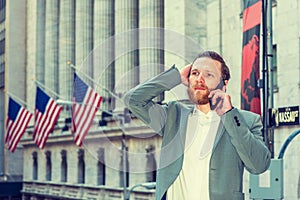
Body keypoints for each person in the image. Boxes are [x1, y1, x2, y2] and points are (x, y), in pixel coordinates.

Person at [124, 51, 271, 200]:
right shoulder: (173, 115)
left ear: (224, 84)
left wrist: (229, 114)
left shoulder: (245, 120)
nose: (199, 79)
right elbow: (133, 100)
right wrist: (174, 77)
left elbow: (259, 165)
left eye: (209, 75)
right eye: (195, 73)